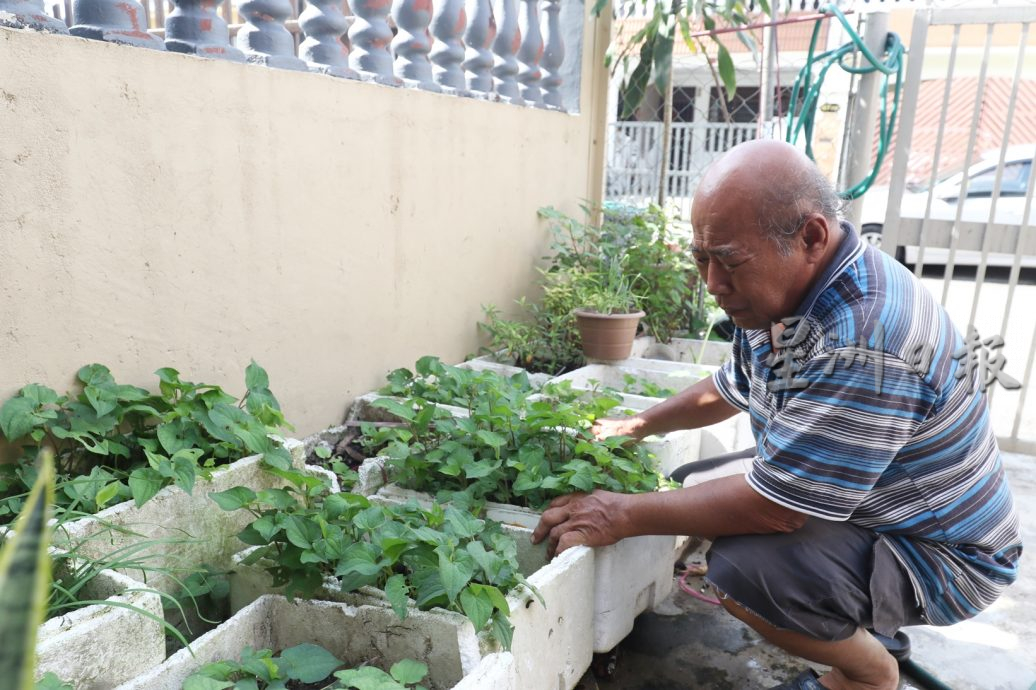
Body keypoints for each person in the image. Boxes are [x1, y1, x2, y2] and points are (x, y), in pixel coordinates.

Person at [531, 140, 1022, 690]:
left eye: (730, 261)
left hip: (943, 553)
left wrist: (619, 514)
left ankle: (869, 673)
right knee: (705, 492)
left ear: (811, 237)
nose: (713, 283)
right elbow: (733, 384)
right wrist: (640, 424)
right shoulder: (790, 294)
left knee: (746, 572)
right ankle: (856, 624)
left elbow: (775, 507)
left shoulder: (866, 335)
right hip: (876, 507)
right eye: (701, 258)